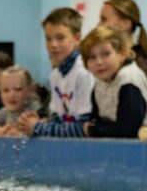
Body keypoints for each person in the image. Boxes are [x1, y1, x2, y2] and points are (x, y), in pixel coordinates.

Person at [17, 7, 94, 138]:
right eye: (48, 39)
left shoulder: (84, 73)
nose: (53, 44)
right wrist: (35, 123)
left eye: (60, 38)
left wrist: (38, 127)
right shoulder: (55, 75)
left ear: (77, 38)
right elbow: (58, 119)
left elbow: (84, 129)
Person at [81, 26, 147, 138]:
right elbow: (95, 120)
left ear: (122, 53)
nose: (99, 62)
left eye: (106, 54)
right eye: (92, 57)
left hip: (145, 150)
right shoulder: (100, 83)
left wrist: (93, 130)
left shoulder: (129, 78)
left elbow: (127, 130)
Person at [98, 0, 147, 88]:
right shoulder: (115, 57)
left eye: (104, 19)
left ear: (125, 24)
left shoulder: (138, 61)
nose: (98, 25)